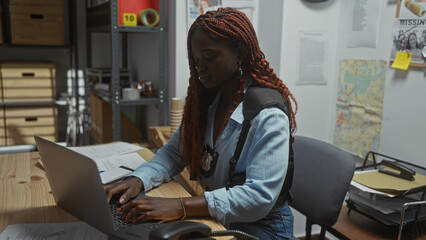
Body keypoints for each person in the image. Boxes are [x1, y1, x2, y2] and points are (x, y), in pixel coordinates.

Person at [104, 7, 297, 239]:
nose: (200, 67)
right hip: (219, 219)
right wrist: (139, 179)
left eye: (209, 56)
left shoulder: (267, 115)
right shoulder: (209, 101)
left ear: (241, 53)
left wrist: (181, 206)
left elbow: (259, 197)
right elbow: (175, 153)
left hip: (263, 228)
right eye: (196, 59)